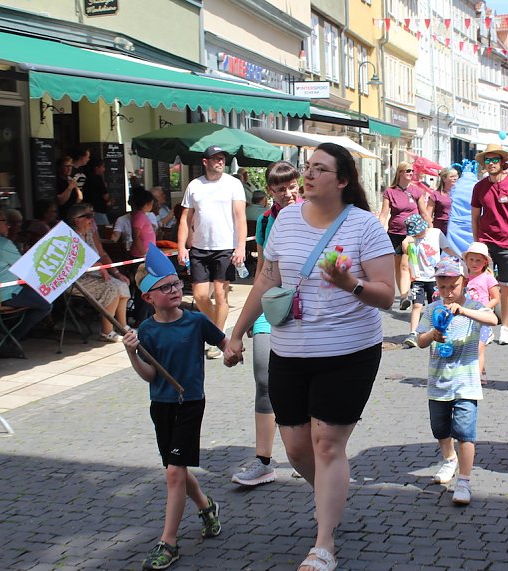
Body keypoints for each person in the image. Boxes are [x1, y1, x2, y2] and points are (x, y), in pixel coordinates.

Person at [223, 143, 395, 571]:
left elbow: (386, 295)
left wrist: (350, 283)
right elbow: (267, 281)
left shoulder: (364, 227)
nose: (309, 174)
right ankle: (332, 495)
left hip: (348, 352)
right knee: (298, 449)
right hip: (289, 350)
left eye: (320, 169)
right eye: (308, 167)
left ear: (342, 180)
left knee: (327, 444)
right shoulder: (285, 220)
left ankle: (324, 543)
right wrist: (237, 332)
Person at [122, 246, 226, 571]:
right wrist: (131, 353)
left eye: (176, 283)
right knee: (175, 469)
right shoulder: (147, 330)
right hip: (161, 405)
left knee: (173, 473)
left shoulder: (196, 321)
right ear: (148, 297)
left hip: (190, 403)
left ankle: (168, 542)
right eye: (165, 287)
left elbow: (224, 343)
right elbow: (150, 375)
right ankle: (207, 506)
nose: (175, 290)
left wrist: (233, 352)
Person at [230, 161, 301, 487]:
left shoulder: (312, 214)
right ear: (270, 191)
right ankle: (263, 461)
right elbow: (261, 271)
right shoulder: (265, 220)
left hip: (303, 307)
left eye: (292, 186)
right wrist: (248, 315)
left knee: (303, 380)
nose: (288, 193)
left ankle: (307, 453)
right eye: (280, 189)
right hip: (270, 306)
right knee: (263, 379)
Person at [415, 256, 498, 505]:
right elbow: (420, 341)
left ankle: (464, 480)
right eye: (442, 287)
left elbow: (493, 319)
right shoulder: (432, 309)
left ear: (464, 283)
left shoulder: (473, 306)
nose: (448, 292)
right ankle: (449, 459)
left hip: (466, 383)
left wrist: (463, 311)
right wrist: (432, 335)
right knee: (440, 428)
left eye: (453, 286)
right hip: (438, 383)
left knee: (465, 432)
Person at [177, 146, 247, 359]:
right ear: (205, 162)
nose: (220, 161)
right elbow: (185, 219)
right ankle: (217, 328)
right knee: (199, 296)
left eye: (222, 158)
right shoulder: (194, 185)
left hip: (225, 246)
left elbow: (240, 217)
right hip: (199, 246)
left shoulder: (233, 184)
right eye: (215, 158)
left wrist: (241, 246)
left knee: (220, 294)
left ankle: (217, 337)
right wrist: (181, 246)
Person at [471, 144, 508, 346]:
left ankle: (505, 327)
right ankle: (485, 327)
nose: (491, 163)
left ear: (502, 162)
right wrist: (476, 244)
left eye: (495, 159)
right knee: (482, 285)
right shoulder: (479, 187)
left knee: (506, 287)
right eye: (488, 160)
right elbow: (475, 218)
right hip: (485, 242)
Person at [0, 207, 52, 356]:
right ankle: (10, 338)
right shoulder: (3, 244)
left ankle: (0, 334)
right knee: (46, 304)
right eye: (4, 222)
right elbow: (25, 268)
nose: (8, 226)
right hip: (5, 294)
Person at [66, 204, 131, 343]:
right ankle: (106, 332)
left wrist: (116, 273)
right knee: (111, 288)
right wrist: (97, 266)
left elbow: (101, 254)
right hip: (76, 279)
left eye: (92, 216)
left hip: (94, 274)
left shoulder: (89, 233)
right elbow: (71, 263)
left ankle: (122, 326)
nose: (92, 219)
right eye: (88, 216)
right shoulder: (69, 237)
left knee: (122, 285)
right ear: (76, 220)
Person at [400, 214, 457, 347]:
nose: (418, 235)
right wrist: (406, 241)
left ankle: (438, 330)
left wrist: (458, 258)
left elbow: (447, 248)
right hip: (418, 277)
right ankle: (413, 333)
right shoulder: (412, 239)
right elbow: (405, 246)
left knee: (436, 305)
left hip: (434, 277)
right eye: (415, 233)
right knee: (417, 305)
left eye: (419, 232)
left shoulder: (436, 233)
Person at [378, 161, 428, 310]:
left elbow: (424, 213)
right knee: (399, 265)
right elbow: (384, 214)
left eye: (412, 171)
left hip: (413, 234)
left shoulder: (417, 191)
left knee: (409, 264)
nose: (411, 173)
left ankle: (412, 291)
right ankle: (404, 296)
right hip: (395, 233)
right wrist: (378, 232)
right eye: (407, 171)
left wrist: (431, 229)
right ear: (400, 173)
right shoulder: (390, 192)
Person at [463, 242, 500, 384]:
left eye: (478, 260)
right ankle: (481, 371)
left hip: (483, 319)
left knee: (479, 348)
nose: (474, 263)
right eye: (471, 259)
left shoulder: (488, 278)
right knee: (468, 347)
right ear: (466, 260)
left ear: (485, 262)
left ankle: (475, 380)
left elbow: (496, 298)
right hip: (466, 318)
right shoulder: (463, 278)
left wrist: (484, 308)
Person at [426, 167, 457, 235]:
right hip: (440, 230)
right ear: (444, 179)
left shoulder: (459, 194)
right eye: (452, 176)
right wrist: (431, 229)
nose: (455, 178)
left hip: (456, 230)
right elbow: (428, 214)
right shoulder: (435, 195)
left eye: (456, 176)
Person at [83, 158, 112, 226]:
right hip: (98, 210)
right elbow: (105, 196)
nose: (104, 169)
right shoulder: (98, 178)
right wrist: (110, 199)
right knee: (104, 228)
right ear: (97, 168)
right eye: (103, 166)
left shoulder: (87, 177)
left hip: (88, 208)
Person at [130, 190, 157, 258]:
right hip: (141, 254)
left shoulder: (141, 216)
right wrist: (144, 253)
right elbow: (135, 236)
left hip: (147, 253)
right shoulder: (140, 217)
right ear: (148, 204)